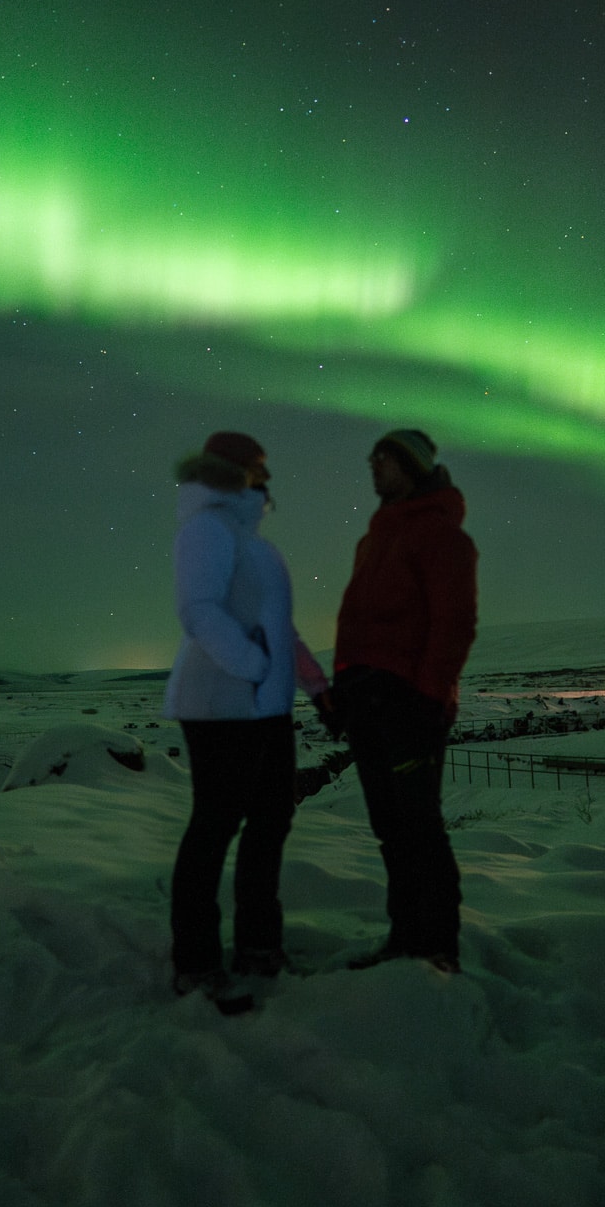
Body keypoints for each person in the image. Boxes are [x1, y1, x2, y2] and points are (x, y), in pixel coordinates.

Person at [164, 430, 328, 1004]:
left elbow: (281, 629)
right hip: (219, 706)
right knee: (215, 828)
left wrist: (315, 687)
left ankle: (260, 948)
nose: (268, 479)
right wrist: (256, 665)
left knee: (268, 825)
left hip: (265, 708)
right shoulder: (206, 528)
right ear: (231, 472)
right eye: (259, 467)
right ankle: (197, 962)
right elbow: (199, 613)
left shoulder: (254, 542)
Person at [332, 428, 477, 972]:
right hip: (367, 702)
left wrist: (428, 696)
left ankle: (437, 946)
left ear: (411, 466)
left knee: (419, 827)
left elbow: (453, 624)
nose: (373, 465)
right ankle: (405, 937)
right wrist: (343, 688)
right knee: (390, 828)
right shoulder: (374, 540)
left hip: (410, 704)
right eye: (372, 456)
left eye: (385, 458)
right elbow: (359, 627)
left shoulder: (441, 537)